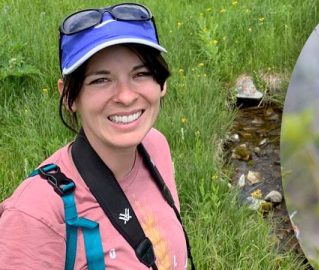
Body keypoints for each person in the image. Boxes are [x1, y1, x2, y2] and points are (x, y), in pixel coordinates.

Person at [0, 3, 193, 269]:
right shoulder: (36, 214)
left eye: (141, 74)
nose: (126, 96)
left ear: (162, 84)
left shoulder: (155, 145)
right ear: (69, 95)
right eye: (101, 80)